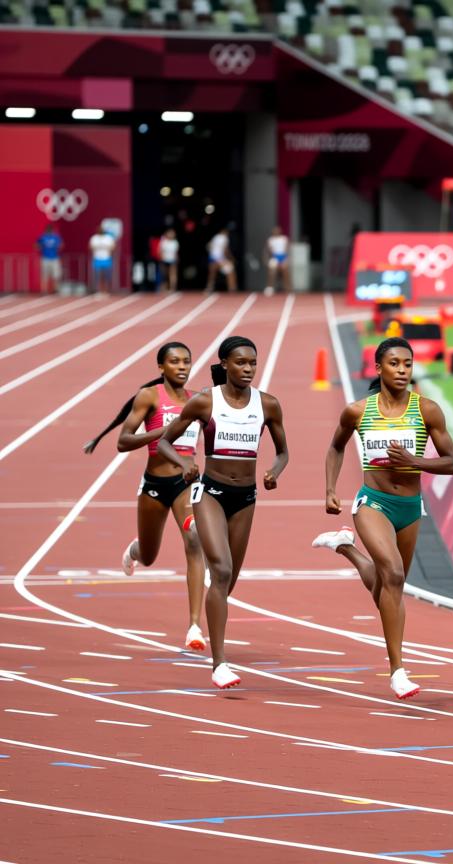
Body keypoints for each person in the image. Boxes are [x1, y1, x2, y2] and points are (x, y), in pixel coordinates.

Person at [311, 337, 453, 700]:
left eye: (407, 364)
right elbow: (335, 446)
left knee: (387, 586)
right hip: (373, 503)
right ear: (379, 368)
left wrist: (415, 461)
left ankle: (346, 548)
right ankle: (398, 670)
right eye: (394, 364)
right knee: (392, 575)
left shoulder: (427, 410)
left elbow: (450, 462)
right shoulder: (358, 411)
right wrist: (331, 489)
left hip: (410, 508)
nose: (402, 370)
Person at [157, 336, 289, 689]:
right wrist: (185, 462)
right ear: (225, 365)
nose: (248, 369)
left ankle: (209, 613)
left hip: (245, 497)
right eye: (241, 363)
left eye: (253, 364)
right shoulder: (205, 402)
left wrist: (274, 472)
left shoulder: (268, 405)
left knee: (227, 581)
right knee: (222, 568)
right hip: (210, 494)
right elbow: (166, 441)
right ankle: (219, 663)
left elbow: (283, 452)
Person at [81, 342, 207, 652]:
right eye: (174, 361)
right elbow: (123, 441)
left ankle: (194, 625)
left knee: (194, 539)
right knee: (150, 556)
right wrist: (165, 434)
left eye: (186, 361)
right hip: (154, 484)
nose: (181, 366)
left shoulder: (198, 401)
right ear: (161, 367)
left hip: (185, 483)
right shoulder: (150, 397)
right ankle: (136, 549)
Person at [204, 227, 237, 293]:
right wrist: (231, 258)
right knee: (230, 270)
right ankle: (232, 288)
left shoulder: (215, 237)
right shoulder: (224, 238)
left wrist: (212, 252)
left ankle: (209, 288)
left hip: (212, 257)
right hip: (219, 258)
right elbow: (225, 250)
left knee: (212, 274)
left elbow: (208, 246)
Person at [263, 226, 291, 296]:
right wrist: (268, 259)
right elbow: (269, 250)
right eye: (275, 231)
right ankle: (270, 287)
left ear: (280, 231)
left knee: (285, 270)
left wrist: (284, 259)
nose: (276, 232)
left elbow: (286, 249)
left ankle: (287, 288)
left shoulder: (284, 239)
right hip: (274, 257)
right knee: (271, 271)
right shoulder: (270, 240)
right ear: (273, 232)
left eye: (277, 230)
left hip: (283, 257)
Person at [37, 224, 62, 294]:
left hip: (54, 257)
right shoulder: (42, 237)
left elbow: (61, 245)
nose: (49, 231)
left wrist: (57, 248)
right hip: (45, 258)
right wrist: (41, 248)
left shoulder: (56, 237)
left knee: (56, 274)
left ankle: (55, 289)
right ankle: (44, 290)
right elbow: (36, 245)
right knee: (44, 274)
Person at [89, 229, 116, 293]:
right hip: (97, 259)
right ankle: (98, 290)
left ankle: (106, 290)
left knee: (107, 276)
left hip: (106, 258)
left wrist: (107, 249)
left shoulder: (108, 238)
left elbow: (113, 247)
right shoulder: (94, 238)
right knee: (97, 276)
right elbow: (90, 247)